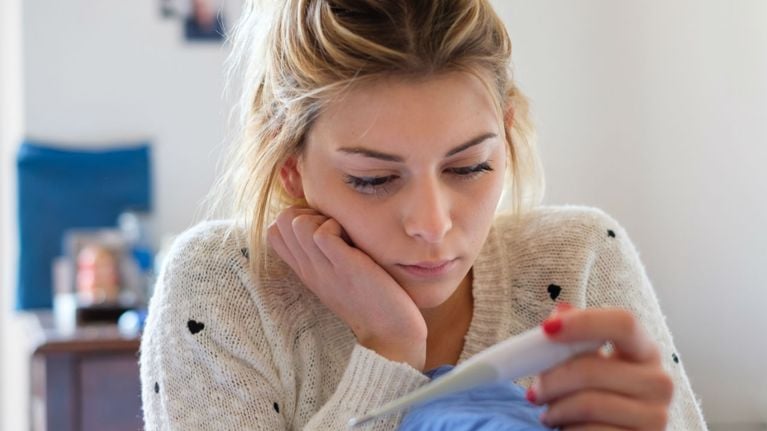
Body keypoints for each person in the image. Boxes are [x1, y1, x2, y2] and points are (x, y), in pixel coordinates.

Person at [139, 1, 708, 429]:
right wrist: (387, 352)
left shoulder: (583, 257)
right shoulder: (224, 288)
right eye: (374, 179)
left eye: (469, 168)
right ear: (290, 165)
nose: (433, 224)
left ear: (506, 136)